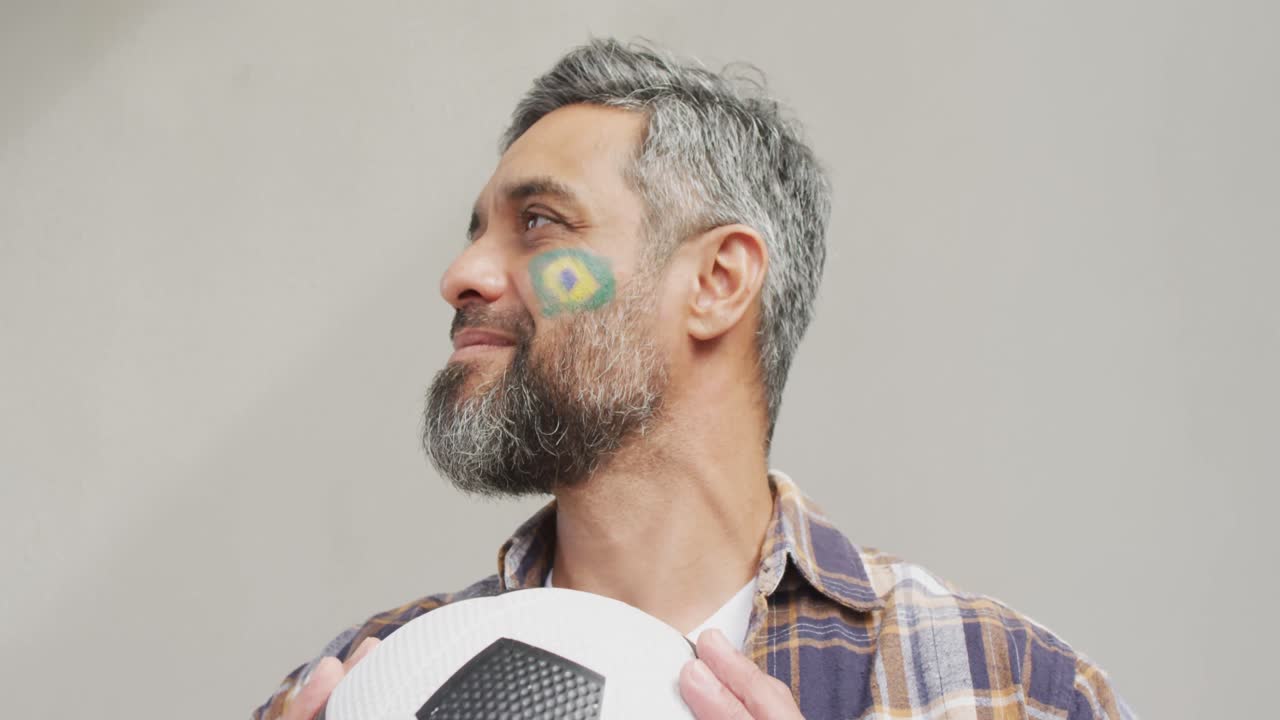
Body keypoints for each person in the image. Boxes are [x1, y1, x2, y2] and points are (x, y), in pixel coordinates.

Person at [254, 39, 1133, 720]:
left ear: (716, 282)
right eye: (477, 229)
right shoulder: (364, 684)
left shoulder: (1008, 688)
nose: (463, 272)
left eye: (539, 224)